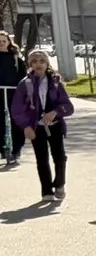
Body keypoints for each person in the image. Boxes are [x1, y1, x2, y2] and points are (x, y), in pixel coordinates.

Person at [12, 49, 74, 203]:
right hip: (36, 127)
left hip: (55, 125)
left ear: (47, 63)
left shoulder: (56, 82)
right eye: (34, 61)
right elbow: (18, 109)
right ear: (30, 64)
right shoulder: (25, 84)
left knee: (59, 156)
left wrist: (55, 112)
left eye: (41, 61)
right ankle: (46, 191)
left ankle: (59, 184)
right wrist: (26, 126)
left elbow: (68, 106)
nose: (38, 64)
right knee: (42, 158)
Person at [0, 32, 24, 169]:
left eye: (4, 41)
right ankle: (3, 149)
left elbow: (23, 75)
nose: (2, 43)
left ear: (9, 42)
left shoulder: (16, 58)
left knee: (15, 121)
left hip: (14, 93)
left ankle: (16, 149)